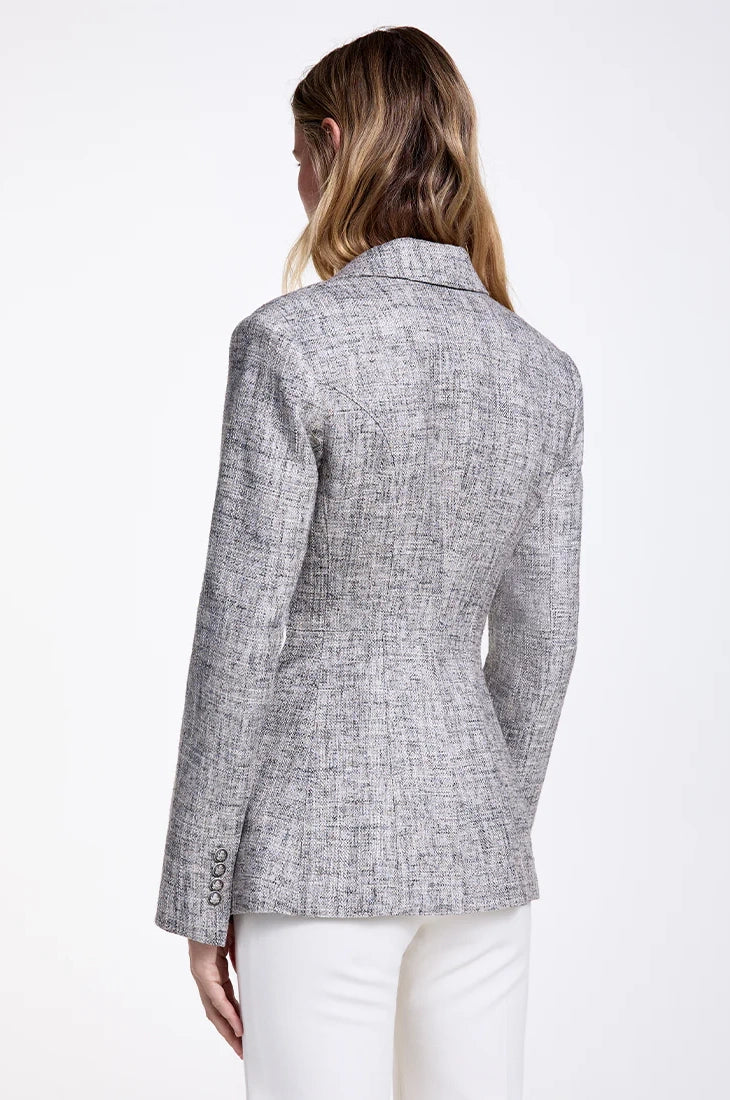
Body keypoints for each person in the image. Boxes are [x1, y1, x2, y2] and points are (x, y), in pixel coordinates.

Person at [155, 25, 584, 1100]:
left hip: (311, 858)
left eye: (300, 156)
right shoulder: (543, 373)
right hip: (478, 855)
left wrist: (199, 894)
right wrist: (480, 817)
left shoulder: (289, 344)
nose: (299, 183)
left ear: (335, 144)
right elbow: (540, 644)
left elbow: (240, 629)